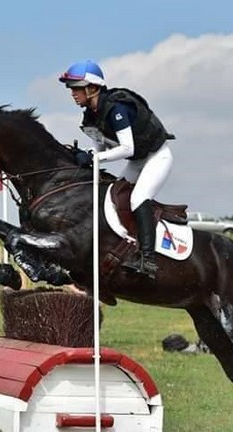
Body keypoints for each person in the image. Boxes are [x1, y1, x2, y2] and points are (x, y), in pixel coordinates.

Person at [59, 60, 175, 278]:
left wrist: (94, 157)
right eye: (71, 89)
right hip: (138, 161)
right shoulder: (90, 115)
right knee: (113, 196)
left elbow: (127, 148)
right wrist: (85, 156)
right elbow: (100, 150)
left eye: (75, 88)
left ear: (91, 87)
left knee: (137, 199)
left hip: (158, 157)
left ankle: (148, 259)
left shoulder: (116, 108)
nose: (72, 93)